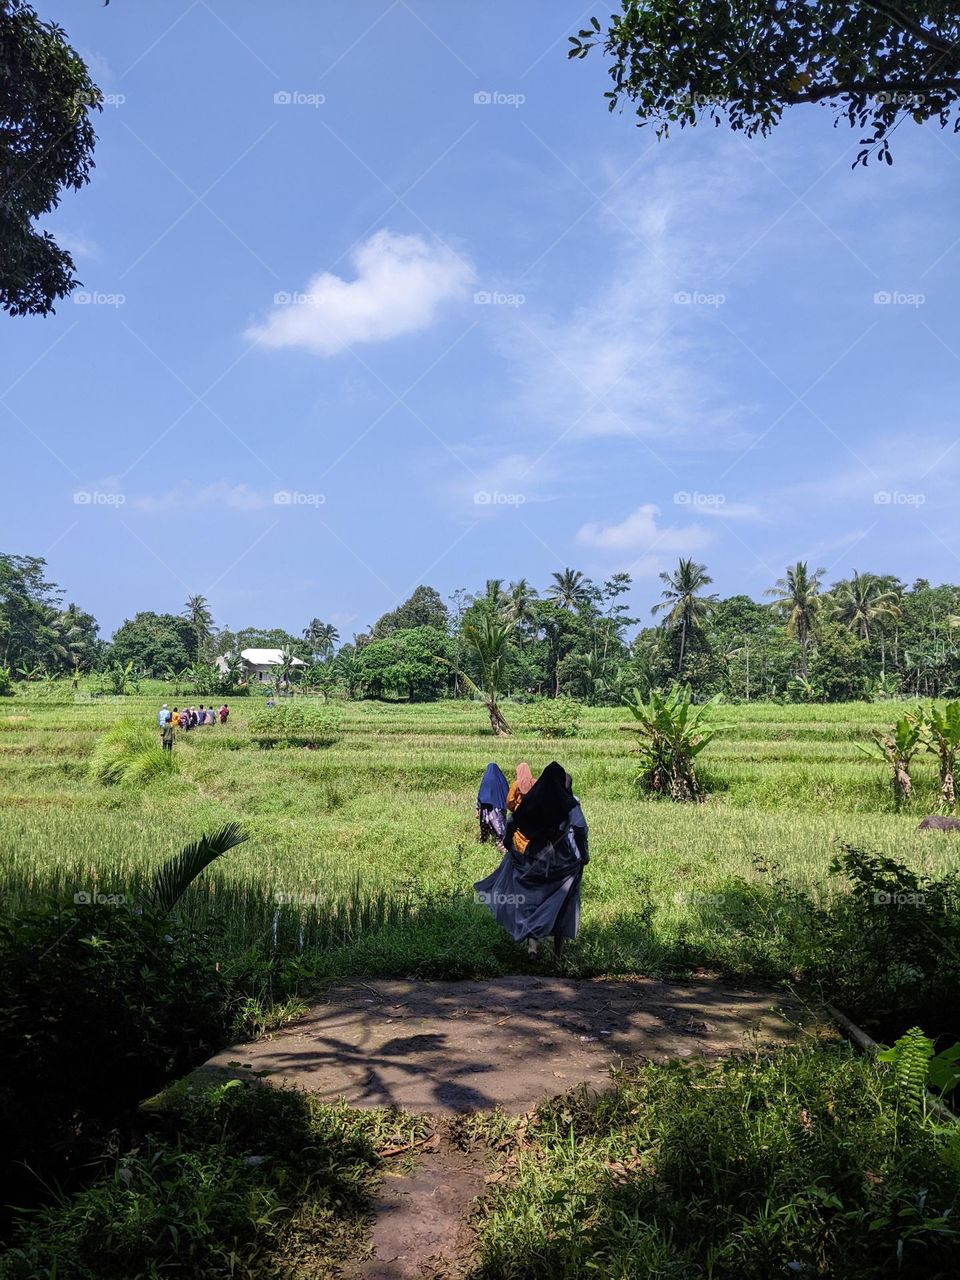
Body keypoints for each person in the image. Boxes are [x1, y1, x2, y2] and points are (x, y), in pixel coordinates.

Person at [474, 761, 588, 959]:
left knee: (529, 901)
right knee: (564, 901)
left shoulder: (533, 800)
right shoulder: (569, 804)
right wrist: (584, 855)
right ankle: (558, 953)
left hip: (531, 858)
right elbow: (579, 828)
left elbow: (512, 821)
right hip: (560, 861)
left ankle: (532, 946)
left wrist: (509, 843)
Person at [476, 762, 509, 850]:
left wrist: (478, 809)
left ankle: (482, 845)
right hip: (497, 810)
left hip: (485, 811)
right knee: (500, 831)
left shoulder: (486, 780)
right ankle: (503, 848)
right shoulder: (501, 780)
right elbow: (507, 792)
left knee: (484, 830)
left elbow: (480, 796)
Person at [506, 763, 537, 854]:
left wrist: (515, 808)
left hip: (520, 815)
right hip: (534, 814)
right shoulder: (535, 782)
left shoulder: (516, 784)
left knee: (519, 834)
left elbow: (510, 801)